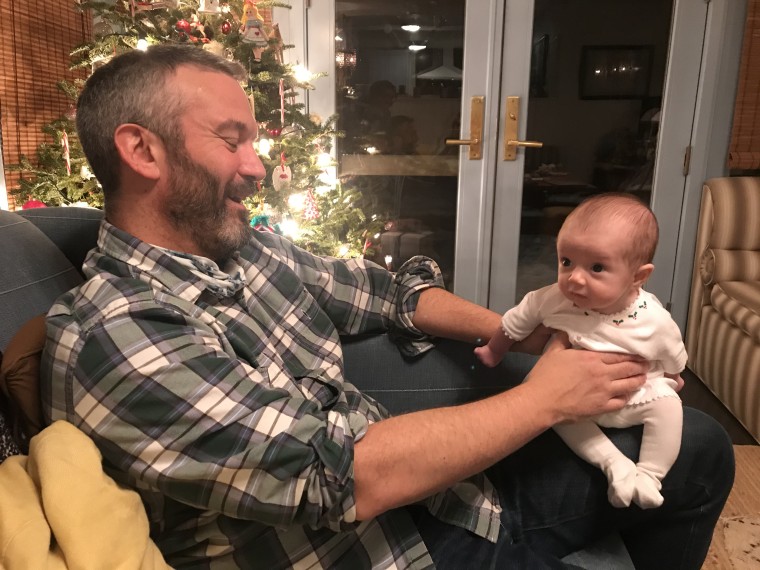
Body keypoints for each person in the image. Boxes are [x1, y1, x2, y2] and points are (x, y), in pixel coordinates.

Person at [40, 45, 733, 569]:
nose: (256, 167)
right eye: (232, 140)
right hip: (396, 552)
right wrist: (543, 399)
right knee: (697, 452)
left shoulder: (247, 252)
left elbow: (387, 293)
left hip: (440, 501)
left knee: (686, 437)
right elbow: (333, 477)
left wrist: (521, 331)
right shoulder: (118, 332)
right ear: (141, 150)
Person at [476, 193, 686, 512]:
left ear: (638, 276)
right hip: (571, 396)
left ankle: (649, 475)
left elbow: (674, 355)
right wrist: (494, 351)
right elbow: (514, 322)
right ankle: (614, 465)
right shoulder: (551, 300)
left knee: (670, 409)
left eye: (597, 267)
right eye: (566, 261)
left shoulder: (653, 320)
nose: (574, 277)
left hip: (635, 394)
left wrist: (672, 378)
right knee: (554, 416)